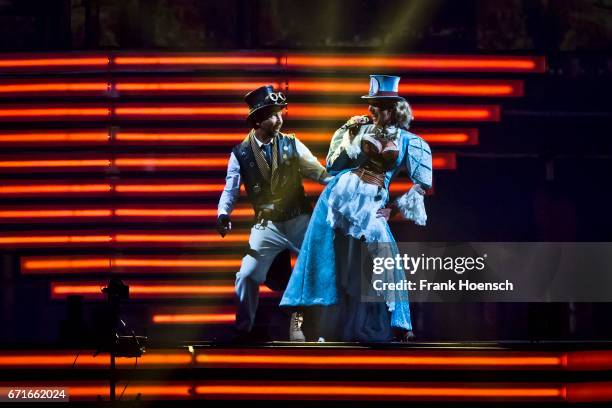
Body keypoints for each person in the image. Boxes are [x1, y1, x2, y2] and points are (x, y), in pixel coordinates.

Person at [280, 75, 432, 342]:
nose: (380, 111)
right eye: (375, 105)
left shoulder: (410, 141)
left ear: (397, 108)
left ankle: (399, 325)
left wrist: (393, 209)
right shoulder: (357, 129)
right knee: (318, 255)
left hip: (371, 205)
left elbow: (422, 184)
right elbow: (334, 166)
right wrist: (349, 134)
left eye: (386, 106)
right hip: (337, 198)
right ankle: (301, 319)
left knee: (384, 259)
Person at [217, 85, 330, 342]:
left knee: (317, 268)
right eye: (272, 115)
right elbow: (230, 190)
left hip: (299, 219)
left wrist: (345, 183)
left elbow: (319, 173)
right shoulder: (240, 153)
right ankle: (244, 329)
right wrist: (223, 214)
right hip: (267, 226)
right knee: (246, 275)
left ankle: (312, 330)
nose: (279, 120)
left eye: (280, 114)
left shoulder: (292, 143)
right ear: (257, 118)